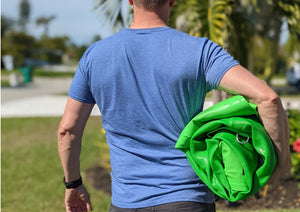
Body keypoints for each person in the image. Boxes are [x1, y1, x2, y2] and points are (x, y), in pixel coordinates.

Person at [57, 0, 291, 211]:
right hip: (188, 200)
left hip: (126, 202)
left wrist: (73, 184)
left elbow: (67, 130)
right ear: (172, 1)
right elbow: (267, 98)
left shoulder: (95, 56)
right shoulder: (200, 52)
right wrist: (280, 166)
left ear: (129, 1)